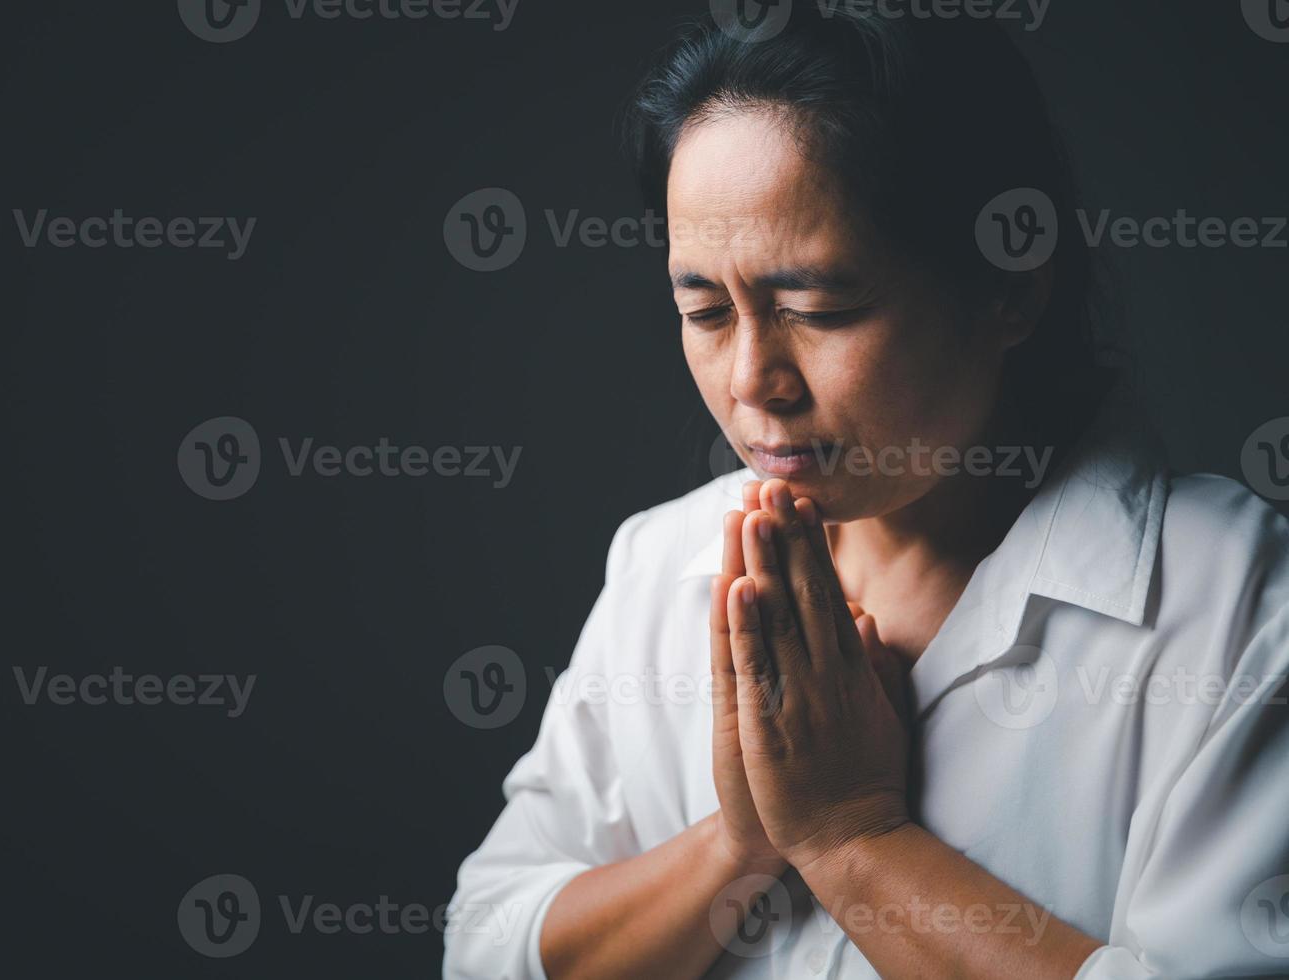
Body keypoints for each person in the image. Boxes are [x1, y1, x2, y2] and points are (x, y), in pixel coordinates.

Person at [445, 6, 1289, 977]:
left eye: (819, 310)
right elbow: (486, 945)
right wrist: (741, 841)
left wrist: (853, 837)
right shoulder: (661, 563)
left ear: (1011, 285)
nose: (753, 380)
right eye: (705, 311)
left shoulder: (1234, 609)